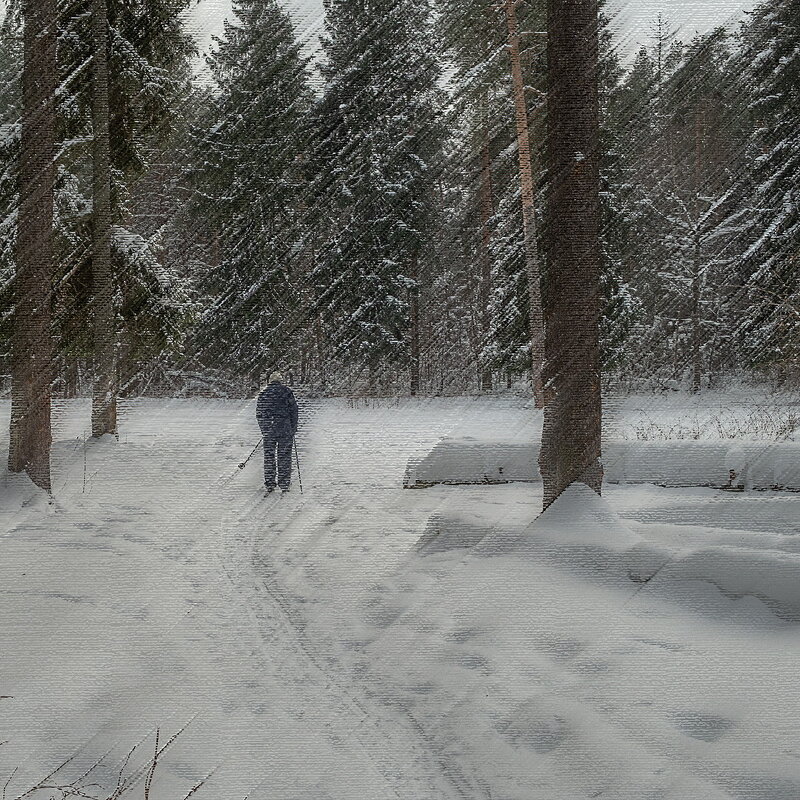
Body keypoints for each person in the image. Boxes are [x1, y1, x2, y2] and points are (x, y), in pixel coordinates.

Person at [256, 372, 298, 493]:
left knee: (269, 456)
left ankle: (270, 483)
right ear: (281, 381)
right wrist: (293, 428)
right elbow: (294, 411)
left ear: (269, 381)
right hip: (284, 428)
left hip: (269, 429)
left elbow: (259, 413)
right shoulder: (287, 392)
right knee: (284, 456)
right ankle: (284, 483)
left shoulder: (263, 394)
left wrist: (264, 428)